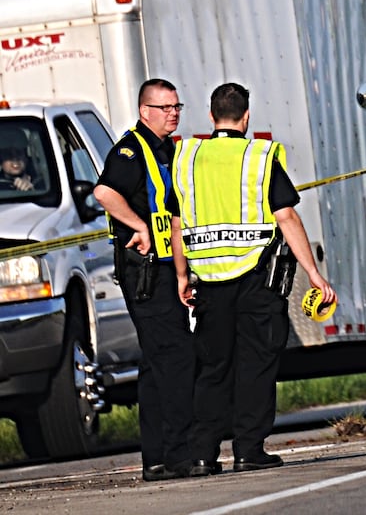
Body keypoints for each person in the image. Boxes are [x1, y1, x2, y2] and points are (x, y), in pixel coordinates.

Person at [168, 82, 334, 476]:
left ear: (211, 117)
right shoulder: (258, 156)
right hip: (255, 278)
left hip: (208, 281)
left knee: (213, 368)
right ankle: (248, 449)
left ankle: (204, 454)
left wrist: (181, 275)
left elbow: (176, 224)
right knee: (256, 365)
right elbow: (287, 217)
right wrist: (313, 274)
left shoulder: (188, 159)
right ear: (246, 118)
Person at [91, 79, 195, 482]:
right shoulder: (131, 150)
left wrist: (184, 273)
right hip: (144, 271)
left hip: (166, 269)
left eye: (177, 106)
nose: (173, 113)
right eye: (165, 107)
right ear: (144, 110)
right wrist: (138, 225)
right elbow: (104, 192)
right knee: (176, 357)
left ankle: (157, 458)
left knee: (156, 364)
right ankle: (175, 455)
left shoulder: (166, 148)